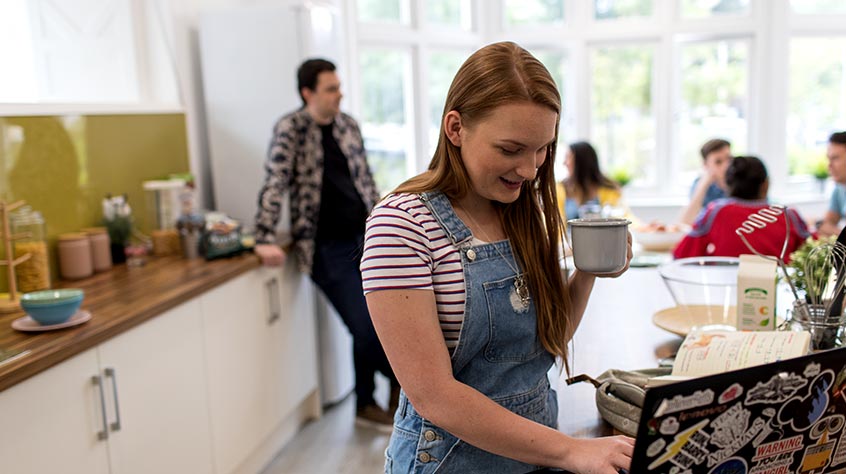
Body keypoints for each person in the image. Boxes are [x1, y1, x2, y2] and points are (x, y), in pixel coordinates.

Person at [361, 42, 634, 473]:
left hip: (534, 454)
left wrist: (587, 272)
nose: (529, 169)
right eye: (510, 149)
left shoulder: (523, 212)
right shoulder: (401, 226)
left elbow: (547, 341)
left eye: (543, 148)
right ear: (455, 128)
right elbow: (434, 396)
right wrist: (569, 450)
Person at [254, 58, 397, 430]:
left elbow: (365, 179)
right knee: (365, 326)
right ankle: (404, 384)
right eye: (331, 88)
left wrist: (386, 220)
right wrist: (264, 237)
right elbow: (275, 182)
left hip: (365, 237)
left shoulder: (348, 125)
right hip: (325, 248)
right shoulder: (291, 129)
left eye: (339, 86)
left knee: (378, 323)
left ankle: (367, 402)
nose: (339, 94)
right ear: (308, 93)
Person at [673, 156, 810, 261]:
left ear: (728, 184)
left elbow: (682, 255)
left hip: (726, 290)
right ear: (766, 184)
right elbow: (813, 256)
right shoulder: (789, 215)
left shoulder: (715, 212)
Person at [557, 141, 622, 220]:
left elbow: (622, 217)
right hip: (567, 232)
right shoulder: (559, 189)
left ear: (581, 162)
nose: (564, 163)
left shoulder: (609, 190)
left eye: (568, 157)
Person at [680, 138, 733, 225]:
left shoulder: (742, 181)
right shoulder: (700, 184)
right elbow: (685, 221)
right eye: (718, 162)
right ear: (706, 165)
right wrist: (704, 184)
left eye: (729, 159)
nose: (726, 165)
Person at [816, 131, 846, 237]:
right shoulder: (839, 189)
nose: (829, 165)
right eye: (829, 159)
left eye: (835, 158)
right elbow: (825, 226)